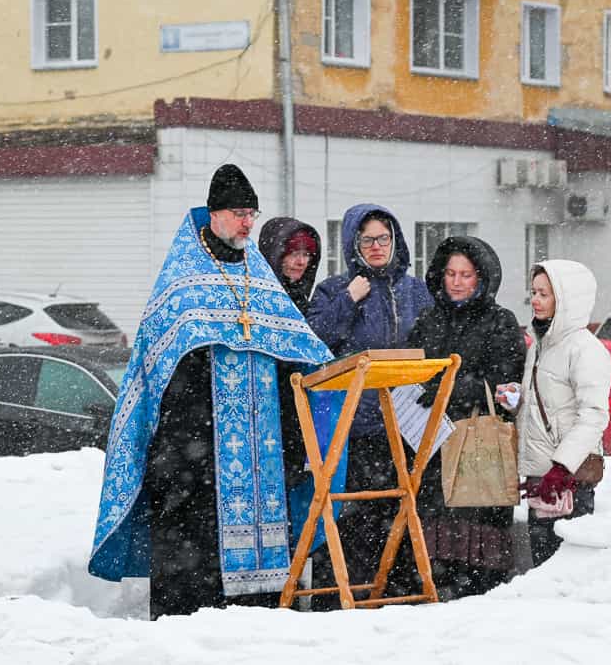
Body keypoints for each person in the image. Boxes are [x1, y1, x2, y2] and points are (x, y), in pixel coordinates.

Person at [88, 165, 333, 620]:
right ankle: (190, 623)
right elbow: (160, 364)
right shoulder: (183, 276)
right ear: (214, 214)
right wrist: (192, 431)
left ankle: (256, 610)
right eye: (239, 214)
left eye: (252, 215)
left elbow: (294, 347)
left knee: (261, 549)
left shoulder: (258, 276)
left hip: (261, 442)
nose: (246, 224)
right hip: (193, 441)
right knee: (192, 544)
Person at [305, 204, 432, 600]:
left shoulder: (416, 291)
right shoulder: (333, 289)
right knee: (348, 519)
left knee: (398, 518)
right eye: (367, 240)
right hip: (353, 428)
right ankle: (341, 599)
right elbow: (313, 340)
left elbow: (432, 344)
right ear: (352, 244)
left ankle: (395, 598)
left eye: (383, 238)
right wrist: (348, 300)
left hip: (406, 425)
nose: (377, 247)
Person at [406, 236, 527, 599]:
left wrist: (451, 387)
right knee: (436, 534)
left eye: (467, 274)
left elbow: (507, 380)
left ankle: (480, 600)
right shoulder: (428, 319)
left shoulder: (500, 321)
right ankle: (438, 593)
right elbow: (411, 368)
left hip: (477, 440)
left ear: (482, 278)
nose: (457, 282)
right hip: (431, 442)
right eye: (451, 273)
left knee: (479, 538)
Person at [498, 260, 611, 568]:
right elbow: (545, 405)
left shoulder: (586, 350)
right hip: (541, 480)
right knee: (544, 570)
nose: (535, 300)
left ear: (566, 300)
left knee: (567, 574)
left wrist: (561, 468)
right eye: (533, 292)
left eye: (545, 294)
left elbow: (594, 416)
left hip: (570, 481)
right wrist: (514, 401)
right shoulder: (541, 346)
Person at [258, 217, 321, 315]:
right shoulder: (253, 301)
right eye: (294, 254)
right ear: (275, 256)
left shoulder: (305, 304)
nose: (301, 262)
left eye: (306, 254)